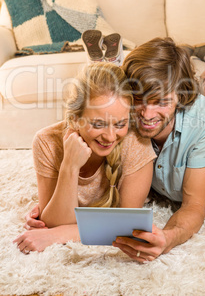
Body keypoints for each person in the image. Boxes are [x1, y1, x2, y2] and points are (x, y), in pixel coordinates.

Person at [21, 36, 205, 262]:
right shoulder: (122, 117)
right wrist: (56, 197)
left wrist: (168, 238)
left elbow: (193, 206)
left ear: (181, 96)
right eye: (138, 99)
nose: (145, 114)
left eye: (160, 102)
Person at [13, 62, 155, 253]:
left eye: (120, 123)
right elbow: (53, 222)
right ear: (74, 119)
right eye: (98, 124)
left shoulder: (136, 141)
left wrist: (59, 235)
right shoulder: (46, 141)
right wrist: (69, 166)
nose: (111, 137)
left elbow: (127, 226)